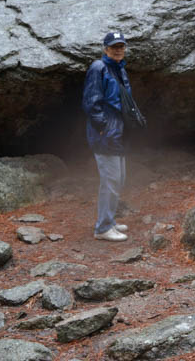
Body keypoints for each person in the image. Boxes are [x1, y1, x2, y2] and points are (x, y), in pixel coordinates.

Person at [82, 31, 133, 242]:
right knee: (111, 180)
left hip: (117, 133)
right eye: (114, 47)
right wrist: (102, 126)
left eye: (121, 46)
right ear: (105, 49)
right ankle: (103, 228)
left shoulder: (118, 69)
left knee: (118, 179)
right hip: (106, 134)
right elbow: (91, 101)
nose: (118, 49)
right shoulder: (99, 68)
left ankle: (109, 220)